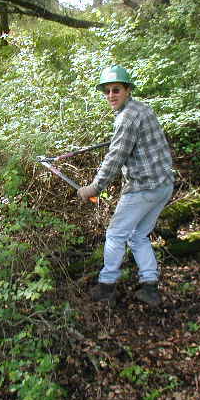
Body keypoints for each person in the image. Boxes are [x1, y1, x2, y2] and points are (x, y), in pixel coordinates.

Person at [77, 65, 174, 306]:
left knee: (115, 234)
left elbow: (116, 157)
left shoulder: (127, 117)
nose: (111, 95)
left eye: (116, 89)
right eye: (107, 91)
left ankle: (107, 286)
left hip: (144, 188)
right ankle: (150, 288)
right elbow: (133, 142)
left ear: (127, 89)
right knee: (137, 234)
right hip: (163, 185)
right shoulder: (141, 109)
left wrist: (94, 188)